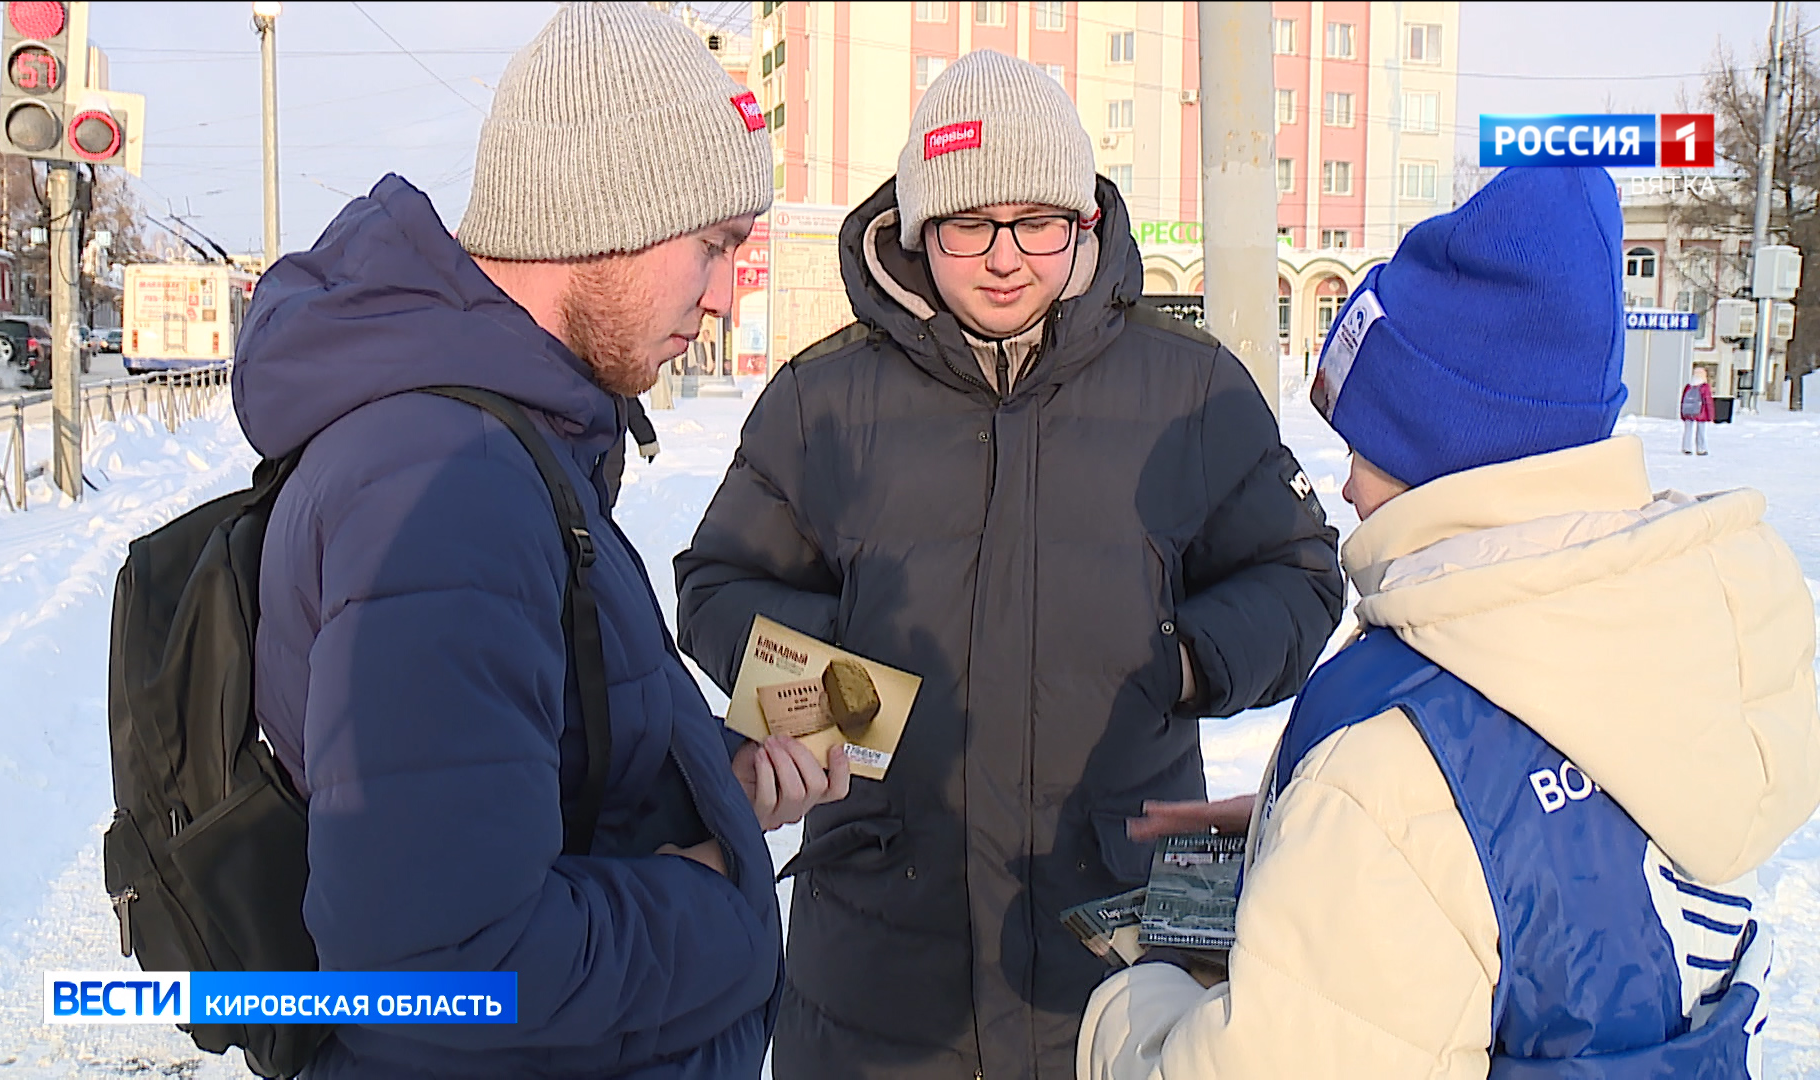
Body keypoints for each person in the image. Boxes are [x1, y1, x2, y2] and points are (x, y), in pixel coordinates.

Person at [675, 50, 1344, 1079]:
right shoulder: (824, 403)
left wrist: (1180, 662)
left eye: (1038, 221)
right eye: (968, 225)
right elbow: (719, 588)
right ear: (916, 228)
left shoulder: (1191, 391)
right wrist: (842, 697)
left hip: (1128, 945)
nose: (1004, 258)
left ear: (1082, 223)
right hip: (880, 960)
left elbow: (1298, 576)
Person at [1079, 167, 1820, 1080]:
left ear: (1440, 449)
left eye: (1363, 448)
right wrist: (1306, 836)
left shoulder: (1394, 780)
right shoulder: (1680, 640)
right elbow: (1540, 843)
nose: (1346, 484)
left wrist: (1139, 1002)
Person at [233, 5, 847, 1076]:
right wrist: (719, 889)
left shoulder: (509, 436)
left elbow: (532, 758)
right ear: (600, 213)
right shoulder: (445, 483)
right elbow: (431, 974)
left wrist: (724, 781)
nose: (721, 293)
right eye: (712, 246)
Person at [601, 395, 661, 507]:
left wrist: (646, 438)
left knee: (607, 486)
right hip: (577, 441)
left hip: (611, 440)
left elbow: (631, 406)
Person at [1682, 365, 1714, 454]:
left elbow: (1683, 400)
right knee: (1701, 431)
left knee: (1688, 430)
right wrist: (1710, 414)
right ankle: (1701, 448)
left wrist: (1682, 413)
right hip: (1701, 412)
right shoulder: (1704, 386)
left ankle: (1686, 447)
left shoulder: (1689, 386)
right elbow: (1708, 401)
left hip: (1689, 411)